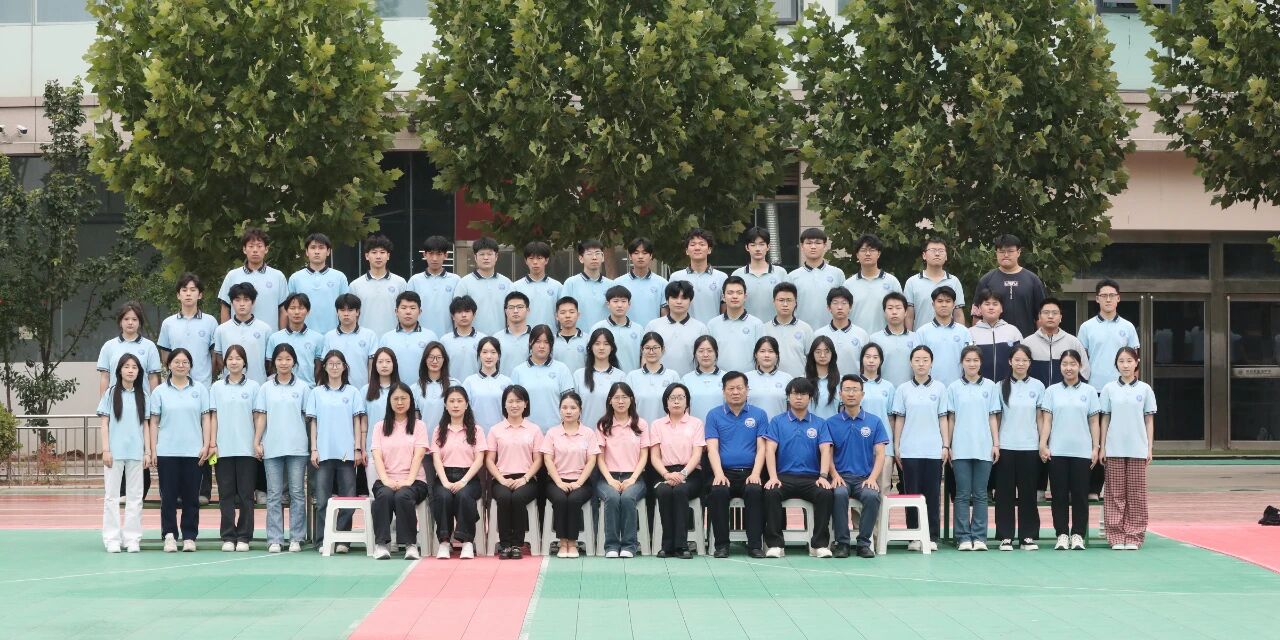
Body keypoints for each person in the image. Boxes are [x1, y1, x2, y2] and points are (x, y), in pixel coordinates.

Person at [761, 378, 835, 558]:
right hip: (784, 476)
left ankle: (819, 545)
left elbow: (825, 450)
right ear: (788, 397)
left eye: (803, 394)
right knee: (771, 492)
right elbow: (769, 450)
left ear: (810, 397)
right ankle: (775, 545)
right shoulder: (777, 421)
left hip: (812, 478)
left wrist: (823, 476)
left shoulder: (819, 423)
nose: (799, 398)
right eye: (794, 394)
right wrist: (773, 477)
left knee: (825, 493)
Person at [149, 348, 211, 553]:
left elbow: (206, 418)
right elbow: (154, 422)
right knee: (168, 498)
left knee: (191, 498)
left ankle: (190, 536)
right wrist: (153, 449)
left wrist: (206, 444)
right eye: (177, 362)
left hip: (193, 452)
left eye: (185, 362)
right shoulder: (159, 392)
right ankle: (169, 535)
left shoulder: (200, 389)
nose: (181, 365)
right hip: (167, 451)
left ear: (190, 366)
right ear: (169, 365)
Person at [1038, 350, 1100, 551]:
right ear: (1060, 367)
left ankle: (1078, 534)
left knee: (1081, 496)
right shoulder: (1052, 391)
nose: (1069, 368)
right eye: (1065, 364)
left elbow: (1094, 421)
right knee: (1059, 495)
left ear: (1080, 366)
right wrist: (1043, 444)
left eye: (1073, 364)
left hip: (1082, 452)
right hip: (1058, 451)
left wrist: (1095, 447)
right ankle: (1062, 534)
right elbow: (1047, 420)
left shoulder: (1089, 391)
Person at [890, 345, 950, 549]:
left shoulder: (940, 388)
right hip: (909, 450)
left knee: (932, 495)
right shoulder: (903, 389)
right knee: (911, 494)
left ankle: (931, 536)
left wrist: (945, 445)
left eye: (925, 360)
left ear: (931, 363)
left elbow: (943, 418)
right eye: (917, 360)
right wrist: (897, 445)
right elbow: (899, 419)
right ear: (911, 363)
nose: (921, 363)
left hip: (933, 450)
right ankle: (914, 536)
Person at [705, 371, 769, 558]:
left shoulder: (759, 414)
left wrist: (756, 473)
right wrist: (718, 474)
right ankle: (722, 546)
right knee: (718, 492)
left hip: (750, 472)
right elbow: (712, 448)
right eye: (731, 388)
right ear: (724, 391)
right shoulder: (714, 415)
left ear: (747, 390)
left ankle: (755, 545)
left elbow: (762, 448)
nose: (735, 392)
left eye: (739, 388)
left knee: (755, 491)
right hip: (723, 472)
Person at [253, 344, 310, 553]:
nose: (283, 363)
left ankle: (296, 537)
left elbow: (308, 418)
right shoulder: (266, 388)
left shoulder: (303, 388)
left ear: (294, 361)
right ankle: (275, 538)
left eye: (288, 359)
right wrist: (257, 441)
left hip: (297, 448)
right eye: (279, 359)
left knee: (297, 493)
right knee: (274, 494)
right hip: (272, 447)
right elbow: (262, 416)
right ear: (274, 362)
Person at [306, 350, 365, 552]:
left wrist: (358, 448)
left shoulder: (352, 392)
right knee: (323, 500)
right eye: (330, 363)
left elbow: (357, 422)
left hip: (346, 454)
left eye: (338, 363)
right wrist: (314, 449)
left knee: (348, 499)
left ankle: (342, 540)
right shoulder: (316, 393)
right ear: (324, 367)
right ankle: (324, 540)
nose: (334, 367)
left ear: (344, 367)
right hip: (323, 454)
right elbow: (313, 423)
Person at [1099, 347, 1157, 550]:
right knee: (1114, 494)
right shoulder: (1109, 389)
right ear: (1116, 364)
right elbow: (1105, 419)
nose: (1125, 365)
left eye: (1129, 361)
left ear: (1136, 362)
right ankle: (1115, 536)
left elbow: (1149, 420)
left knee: (1136, 494)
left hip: (1137, 448)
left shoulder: (1145, 389)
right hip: (1114, 448)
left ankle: (1134, 535)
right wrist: (1102, 447)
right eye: (1121, 361)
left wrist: (1149, 448)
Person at [827, 374, 889, 559]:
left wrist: (872, 478)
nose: (851, 394)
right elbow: (827, 453)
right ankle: (842, 543)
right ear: (840, 394)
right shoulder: (831, 423)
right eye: (847, 390)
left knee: (872, 496)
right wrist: (834, 475)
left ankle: (863, 543)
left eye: (855, 390)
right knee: (838, 494)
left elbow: (880, 454)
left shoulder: (874, 421)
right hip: (841, 477)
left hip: (864, 478)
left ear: (862, 394)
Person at [947, 346, 1001, 551]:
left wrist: (996, 443)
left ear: (981, 363)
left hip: (984, 447)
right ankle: (962, 537)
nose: (972, 364)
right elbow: (951, 419)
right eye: (968, 360)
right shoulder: (953, 388)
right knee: (962, 494)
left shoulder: (990, 386)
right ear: (962, 363)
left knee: (980, 494)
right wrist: (948, 445)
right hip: (960, 448)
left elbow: (992, 417)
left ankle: (979, 537)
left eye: (975, 360)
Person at [370, 383, 430, 560]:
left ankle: (410, 544)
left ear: (411, 400)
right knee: (385, 496)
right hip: (386, 479)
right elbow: (377, 456)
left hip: (415, 481)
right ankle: (382, 544)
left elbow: (419, 455)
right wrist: (386, 481)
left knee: (403, 495)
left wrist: (408, 481)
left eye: (404, 398)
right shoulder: (379, 427)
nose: (400, 402)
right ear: (389, 401)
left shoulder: (419, 426)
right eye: (395, 398)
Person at [994, 344, 1046, 551]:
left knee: (1028, 494)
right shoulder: (1000, 386)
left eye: (1025, 360)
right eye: (1017, 359)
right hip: (1006, 447)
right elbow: (997, 418)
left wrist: (1042, 443)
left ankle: (1027, 536)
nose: (1021, 363)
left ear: (1030, 363)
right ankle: (1005, 536)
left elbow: (1040, 418)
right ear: (1010, 361)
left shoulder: (1038, 386)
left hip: (1030, 447)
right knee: (1004, 494)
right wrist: (995, 443)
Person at [209, 345, 260, 552]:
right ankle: (228, 536)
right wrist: (213, 443)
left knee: (247, 495)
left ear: (244, 362)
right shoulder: (216, 387)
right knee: (226, 495)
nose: (234, 362)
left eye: (238, 358)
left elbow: (257, 417)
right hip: (223, 449)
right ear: (225, 363)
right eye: (230, 358)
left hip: (247, 450)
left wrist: (257, 442)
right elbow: (213, 417)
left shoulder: (254, 387)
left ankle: (244, 537)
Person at [485, 385, 544, 559]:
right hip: (501, 478)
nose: (514, 405)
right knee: (504, 497)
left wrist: (525, 478)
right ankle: (505, 545)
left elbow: (538, 459)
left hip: (527, 479)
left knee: (518, 497)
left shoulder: (534, 429)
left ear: (526, 404)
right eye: (510, 401)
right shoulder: (495, 430)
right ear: (504, 404)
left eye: (518, 401)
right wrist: (501, 479)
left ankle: (517, 544)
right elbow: (489, 460)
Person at [99, 354, 150, 554]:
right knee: (111, 497)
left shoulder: (143, 395)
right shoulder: (110, 393)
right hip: (114, 454)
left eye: (134, 367)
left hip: (136, 454)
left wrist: (147, 451)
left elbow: (146, 425)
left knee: (135, 498)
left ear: (139, 372)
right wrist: (106, 450)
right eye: (127, 366)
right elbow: (104, 423)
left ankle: (132, 538)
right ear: (119, 370)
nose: (130, 370)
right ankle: (112, 539)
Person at [649, 383, 706, 558]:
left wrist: (682, 474)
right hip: (664, 472)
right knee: (664, 491)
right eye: (672, 398)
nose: (676, 401)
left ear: (687, 401)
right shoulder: (657, 425)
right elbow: (654, 457)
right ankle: (667, 545)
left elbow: (697, 454)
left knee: (680, 490)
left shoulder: (696, 423)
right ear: (666, 402)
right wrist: (666, 474)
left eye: (681, 397)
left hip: (691, 473)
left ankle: (681, 546)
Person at [429, 386, 487, 559]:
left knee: (463, 495)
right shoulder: (439, 430)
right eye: (452, 401)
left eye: (460, 401)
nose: (455, 405)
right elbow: (436, 459)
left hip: (469, 477)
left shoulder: (476, 430)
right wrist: (445, 482)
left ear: (466, 404)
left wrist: (463, 481)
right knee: (443, 496)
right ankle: (444, 542)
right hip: (444, 476)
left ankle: (467, 542)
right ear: (445, 405)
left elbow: (479, 460)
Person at [540, 392, 600, 558]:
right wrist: (559, 482)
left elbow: (591, 461)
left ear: (580, 410)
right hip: (556, 481)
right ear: (559, 410)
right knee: (560, 499)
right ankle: (562, 543)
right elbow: (548, 460)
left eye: (573, 407)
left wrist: (579, 483)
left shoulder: (588, 433)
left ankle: (572, 543)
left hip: (582, 482)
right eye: (564, 407)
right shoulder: (552, 433)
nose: (568, 411)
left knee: (573, 500)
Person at [594, 382, 650, 558]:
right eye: (616, 397)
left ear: (631, 400)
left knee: (627, 498)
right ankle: (611, 546)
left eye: (624, 397)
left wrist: (632, 479)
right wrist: (610, 480)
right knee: (611, 497)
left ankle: (629, 545)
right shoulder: (603, 425)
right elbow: (600, 457)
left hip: (634, 477)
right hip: (607, 477)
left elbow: (644, 455)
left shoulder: (640, 424)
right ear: (610, 400)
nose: (620, 401)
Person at [971, 234, 1046, 338]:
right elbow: (977, 315)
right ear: (996, 253)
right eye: (1001, 251)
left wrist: (1042, 339)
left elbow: (1041, 315)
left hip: (1026, 340)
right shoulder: (986, 280)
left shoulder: (1033, 280)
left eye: (1010, 251)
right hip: (994, 341)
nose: (1006, 255)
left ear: (1018, 252)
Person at [217, 227, 288, 331]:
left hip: (270, 337)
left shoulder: (278, 276)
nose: (255, 250)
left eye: (259, 246)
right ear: (244, 249)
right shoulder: (232, 276)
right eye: (251, 246)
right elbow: (225, 307)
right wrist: (226, 334)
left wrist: (281, 337)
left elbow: (283, 310)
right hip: (238, 337)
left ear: (266, 249)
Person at [1078, 279, 1140, 391]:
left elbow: (1135, 361)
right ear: (1097, 299)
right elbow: (1080, 361)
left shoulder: (1128, 326)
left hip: (1122, 388)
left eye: (1112, 295)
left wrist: (1133, 389)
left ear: (1118, 298)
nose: (1108, 299)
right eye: (1104, 295)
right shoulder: (1086, 327)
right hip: (1094, 388)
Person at [158, 274, 218, 388]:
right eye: (184, 290)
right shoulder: (168, 323)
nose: (188, 294)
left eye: (193, 290)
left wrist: (208, 376)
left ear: (200, 295)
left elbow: (214, 356)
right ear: (178, 295)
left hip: (203, 386)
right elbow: (165, 357)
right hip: (176, 386)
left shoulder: (210, 322)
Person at [512, 325, 575, 431]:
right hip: (525, 432)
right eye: (537, 341)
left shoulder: (561, 369)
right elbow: (513, 404)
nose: (542, 346)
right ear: (530, 343)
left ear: (551, 345)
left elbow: (570, 403)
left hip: (556, 432)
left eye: (546, 342)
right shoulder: (518, 371)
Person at [287, 232, 348, 335]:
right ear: (307, 252)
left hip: (333, 335)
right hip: (303, 335)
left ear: (328, 251)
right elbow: (289, 310)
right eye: (313, 247)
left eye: (321, 247)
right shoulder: (295, 278)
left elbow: (346, 307)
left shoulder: (340, 277)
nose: (317, 251)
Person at [347, 234, 407, 337]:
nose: (378, 256)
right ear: (367, 256)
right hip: (364, 339)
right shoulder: (355, 285)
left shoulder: (400, 283)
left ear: (388, 256)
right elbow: (351, 315)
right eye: (374, 252)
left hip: (393, 338)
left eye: (382, 252)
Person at [644, 280, 708, 376]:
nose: (679, 302)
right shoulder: (653, 326)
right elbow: (645, 357)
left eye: (684, 298)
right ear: (667, 300)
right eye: (674, 297)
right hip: (658, 380)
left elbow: (705, 360)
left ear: (690, 301)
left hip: (688, 381)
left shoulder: (700, 328)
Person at [1023, 297, 1091, 388]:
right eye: (1046, 312)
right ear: (1039, 317)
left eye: (1055, 313)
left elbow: (1084, 371)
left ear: (1060, 317)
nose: (1050, 316)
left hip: (1066, 395)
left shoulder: (1073, 342)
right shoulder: (1027, 343)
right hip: (1035, 394)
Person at [452, 236, 513, 336]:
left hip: (500, 338)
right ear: (475, 257)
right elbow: (457, 313)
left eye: (489, 254)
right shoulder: (464, 283)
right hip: (473, 339)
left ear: (496, 256)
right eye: (482, 254)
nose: (486, 258)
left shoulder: (507, 283)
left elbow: (512, 313)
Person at [98, 301, 163, 393]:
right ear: (120, 322)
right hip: (115, 399)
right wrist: (103, 400)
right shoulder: (108, 346)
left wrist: (154, 401)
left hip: (142, 400)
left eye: (134, 319)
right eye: (126, 319)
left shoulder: (150, 346)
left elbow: (153, 378)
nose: (130, 322)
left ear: (139, 322)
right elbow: (105, 377)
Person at [360, 348, 401, 490]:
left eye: (388, 361)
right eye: (380, 362)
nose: (384, 365)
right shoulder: (365, 390)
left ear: (394, 364)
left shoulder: (401, 389)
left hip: (398, 449)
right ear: (375, 365)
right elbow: (363, 422)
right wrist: (362, 449)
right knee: (374, 492)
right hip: (373, 448)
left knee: (397, 491)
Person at [914, 286, 973, 386]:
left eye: (948, 301)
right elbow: (917, 361)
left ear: (954, 305)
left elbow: (970, 359)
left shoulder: (964, 332)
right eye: (940, 301)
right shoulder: (922, 332)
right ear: (933, 304)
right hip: (929, 387)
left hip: (958, 386)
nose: (944, 305)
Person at [845, 234, 903, 335]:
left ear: (878, 254)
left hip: (885, 338)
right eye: (863, 250)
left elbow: (901, 312)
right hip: (856, 338)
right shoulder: (848, 284)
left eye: (872, 250)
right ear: (857, 255)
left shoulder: (892, 282)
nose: (868, 254)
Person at [214, 283, 271, 384]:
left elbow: (269, 361)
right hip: (230, 385)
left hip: (258, 384)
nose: (242, 304)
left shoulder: (265, 329)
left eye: (246, 299)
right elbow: (219, 357)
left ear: (253, 302)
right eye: (237, 300)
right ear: (231, 302)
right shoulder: (221, 330)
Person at [904, 238, 966, 330]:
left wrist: (961, 335)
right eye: (933, 250)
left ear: (946, 256)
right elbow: (909, 315)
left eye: (941, 251)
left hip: (948, 336)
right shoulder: (912, 282)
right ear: (924, 255)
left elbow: (958, 314)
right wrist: (910, 336)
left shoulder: (954, 281)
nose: (937, 254)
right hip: (921, 337)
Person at [379, 291, 438, 387]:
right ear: (396, 311)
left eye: (412, 308)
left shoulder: (430, 336)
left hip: (423, 390)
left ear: (420, 311)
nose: (408, 312)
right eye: (403, 308)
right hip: (394, 391)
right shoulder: (386, 338)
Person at [789, 228, 845, 328]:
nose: (813, 247)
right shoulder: (792, 276)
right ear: (802, 246)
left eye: (818, 243)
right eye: (809, 243)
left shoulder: (837, 274)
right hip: (801, 331)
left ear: (825, 246)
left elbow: (844, 303)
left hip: (831, 330)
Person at [707, 275, 764, 373]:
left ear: (745, 296)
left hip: (748, 378)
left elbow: (761, 355)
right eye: (730, 293)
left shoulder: (756, 324)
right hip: (719, 378)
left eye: (739, 293)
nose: (734, 296)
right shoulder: (712, 324)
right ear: (723, 297)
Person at [408, 235, 462, 337]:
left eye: (439, 254)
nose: (434, 258)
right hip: (419, 336)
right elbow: (408, 310)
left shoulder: (456, 280)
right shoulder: (415, 281)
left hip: (448, 336)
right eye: (431, 253)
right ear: (424, 254)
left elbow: (459, 311)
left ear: (446, 255)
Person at [859, 343, 897, 490]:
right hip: (859, 445)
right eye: (867, 356)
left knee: (883, 487)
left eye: (875, 357)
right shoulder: (854, 384)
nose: (871, 360)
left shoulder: (888, 387)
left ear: (880, 361)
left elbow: (891, 418)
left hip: (884, 445)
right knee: (860, 490)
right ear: (862, 359)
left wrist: (893, 444)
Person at [668, 228, 727, 323]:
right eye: (692, 244)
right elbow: (670, 309)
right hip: (685, 330)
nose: (697, 248)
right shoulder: (676, 277)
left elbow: (725, 309)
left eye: (702, 244)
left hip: (711, 331)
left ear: (709, 250)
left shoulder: (722, 277)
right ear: (687, 251)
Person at [731, 227, 789, 323]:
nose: (757, 249)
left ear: (768, 246)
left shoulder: (780, 273)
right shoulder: (737, 274)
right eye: (753, 245)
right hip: (745, 327)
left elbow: (788, 302)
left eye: (761, 244)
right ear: (747, 247)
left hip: (774, 327)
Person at [573, 328, 627, 429]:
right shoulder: (578, 375)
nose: (601, 348)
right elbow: (573, 407)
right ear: (591, 347)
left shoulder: (620, 376)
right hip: (584, 433)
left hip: (611, 433)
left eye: (606, 344)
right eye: (597, 344)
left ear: (612, 347)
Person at [323, 294, 378, 392]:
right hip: (335, 392)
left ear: (357, 312)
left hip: (362, 391)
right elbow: (325, 367)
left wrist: (370, 390)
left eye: (350, 310)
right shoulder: (329, 336)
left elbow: (372, 368)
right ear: (337, 312)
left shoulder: (369, 335)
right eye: (342, 310)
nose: (346, 314)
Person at [266, 293, 323, 386]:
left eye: (301, 308)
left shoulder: (318, 338)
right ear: (286, 311)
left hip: (309, 388)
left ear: (308, 311)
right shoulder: (275, 338)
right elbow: (270, 366)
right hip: (281, 388)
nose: (297, 312)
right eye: (292, 308)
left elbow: (319, 367)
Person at [625, 332, 682, 423]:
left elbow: (679, 407)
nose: (651, 352)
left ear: (662, 349)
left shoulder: (673, 376)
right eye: (647, 348)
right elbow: (626, 407)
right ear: (642, 349)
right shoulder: (632, 376)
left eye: (655, 348)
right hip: (638, 428)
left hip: (666, 429)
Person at [969, 289, 1023, 382]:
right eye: (987, 304)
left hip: (1008, 385)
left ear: (1001, 308)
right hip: (979, 386)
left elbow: (1022, 360)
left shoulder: (1013, 331)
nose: (991, 307)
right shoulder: (970, 333)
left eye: (995, 304)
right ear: (979, 308)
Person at [559, 238, 614, 330]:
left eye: (597, 253)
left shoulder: (611, 285)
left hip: (604, 336)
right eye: (589, 254)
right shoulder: (571, 283)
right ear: (581, 258)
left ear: (603, 257)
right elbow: (563, 311)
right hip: (578, 335)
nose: (594, 257)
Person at [762, 282, 813, 379]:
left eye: (789, 300)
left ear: (795, 302)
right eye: (781, 300)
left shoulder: (805, 329)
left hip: (799, 383)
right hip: (771, 382)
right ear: (774, 302)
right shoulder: (764, 329)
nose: (785, 304)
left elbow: (812, 359)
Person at [814, 287, 870, 372]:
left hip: (853, 380)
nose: (840, 307)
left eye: (844, 303)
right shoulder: (818, 334)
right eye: (835, 303)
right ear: (829, 307)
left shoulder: (862, 334)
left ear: (850, 307)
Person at [462, 337, 513, 430]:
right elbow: (463, 411)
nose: (489, 356)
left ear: (499, 355)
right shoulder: (469, 382)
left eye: (493, 352)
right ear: (479, 355)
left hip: (502, 434)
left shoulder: (507, 382)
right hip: (475, 434)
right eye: (484, 352)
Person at [869, 292, 917, 388]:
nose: (894, 312)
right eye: (890, 308)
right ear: (884, 312)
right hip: (882, 390)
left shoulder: (915, 338)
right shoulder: (874, 339)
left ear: (906, 312)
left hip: (910, 390)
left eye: (898, 308)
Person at [616, 237, 668, 326]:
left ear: (651, 256)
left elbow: (664, 314)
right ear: (630, 256)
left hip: (653, 332)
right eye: (636, 253)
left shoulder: (662, 283)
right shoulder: (618, 283)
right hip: (626, 332)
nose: (640, 257)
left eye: (644, 253)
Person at [513, 240, 563, 330]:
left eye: (539, 258)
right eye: (531, 258)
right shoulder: (516, 287)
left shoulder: (557, 287)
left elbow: (562, 313)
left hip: (550, 336)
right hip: (524, 335)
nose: (535, 262)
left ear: (546, 260)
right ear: (526, 261)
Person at [591, 285, 643, 370]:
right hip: (605, 376)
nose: (619, 305)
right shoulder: (597, 328)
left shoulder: (638, 329)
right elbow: (591, 356)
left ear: (629, 304)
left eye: (623, 301)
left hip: (631, 377)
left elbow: (644, 356)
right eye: (615, 301)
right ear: (608, 304)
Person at [414, 342, 460, 434]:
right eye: (431, 357)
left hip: (450, 438)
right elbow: (415, 421)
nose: (435, 361)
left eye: (439, 357)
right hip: (424, 439)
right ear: (425, 359)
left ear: (444, 360)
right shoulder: (415, 388)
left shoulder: (454, 384)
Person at [441, 295, 485, 381]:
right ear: (453, 316)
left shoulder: (483, 339)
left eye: (467, 311)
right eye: (459, 312)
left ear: (474, 314)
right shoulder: (444, 340)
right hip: (451, 386)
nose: (464, 315)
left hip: (477, 386)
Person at [682, 336, 723, 421]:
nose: (705, 355)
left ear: (716, 352)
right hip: (694, 428)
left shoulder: (726, 378)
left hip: (722, 428)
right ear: (695, 354)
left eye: (710, 351)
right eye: (701, 351)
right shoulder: (686, 380)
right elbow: (684, 411)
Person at [745, 337, 789, 418]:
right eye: (762, 351)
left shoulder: (787, 378)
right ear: (756, 354)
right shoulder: (746, 378)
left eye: (771, 351)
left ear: (777, 355)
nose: (766, 355)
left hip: (778, 425)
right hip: (752, 425)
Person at [496, 291, 532, 377]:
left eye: (520, 307)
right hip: (504, 384)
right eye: (511, 307)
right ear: (506, 311)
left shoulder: (536, 337)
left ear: (528, 310)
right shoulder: (497, 338)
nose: (515, 311)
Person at [805, 336, 841, 419]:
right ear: (812, 354)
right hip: (809, 426)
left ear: (832, 354)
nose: (822, 355)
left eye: (827, 351)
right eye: (818, 352)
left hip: (833, 426)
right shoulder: (803, 380)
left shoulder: (841, 381)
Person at [552, 296, 590, 370]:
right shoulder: (551, 340)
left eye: (571, 312)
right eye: (563, 312)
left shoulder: (588, 339)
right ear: (557, 316)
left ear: (578, 315)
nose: (567, 316)